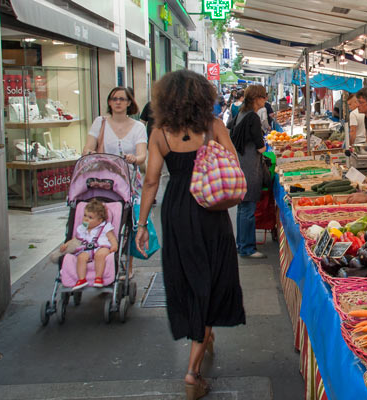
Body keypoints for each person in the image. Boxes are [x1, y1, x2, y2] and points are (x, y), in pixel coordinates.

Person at [135, 70, 246, 400]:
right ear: (203, 96)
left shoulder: (159, 132)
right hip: (210, 210)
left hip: (177, 211)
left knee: (188, 277)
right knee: (211, 279)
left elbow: (151, 181)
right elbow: (234, 165)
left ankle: (202, 336)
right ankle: (192, 372)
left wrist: (142, 225)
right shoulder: (213, 126)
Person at [230, 85, 268, 259]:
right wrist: (264, 147)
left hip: (240, 164)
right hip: (249, 166)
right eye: (263, 97)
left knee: (242, 207)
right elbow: (260, 147)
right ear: (256, 98)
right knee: (248, 208)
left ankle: (241, 244)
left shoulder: (241, 113)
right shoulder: (252, 117)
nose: (265, 100)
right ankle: (247, 248)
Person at [82, 87, 147, 168]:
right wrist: (90, 153)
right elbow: (87, 149)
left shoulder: (139, 127)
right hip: (104, 176)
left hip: (129, 177)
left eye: (122, 99)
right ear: (109, 102)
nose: (118, 102)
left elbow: (142, 156)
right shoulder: (99, 122)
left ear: (129, 102)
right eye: (114, 99)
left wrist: (134, 159)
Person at [64, 199, 118, 290]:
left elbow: (112, 237)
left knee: (100, 255)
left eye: (90, 217)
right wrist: (67, 245)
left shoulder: (105, 226)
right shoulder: (82, 228)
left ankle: (98, 277)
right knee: (81, 257)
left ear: (100, 220)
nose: (85, 219)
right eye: (85, 215)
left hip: (101, 247)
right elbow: (76, 239)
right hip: (86, 249)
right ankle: (81, 279)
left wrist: (114, 245)